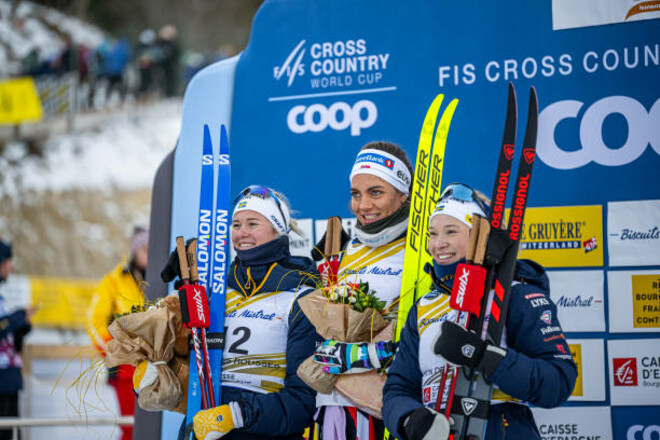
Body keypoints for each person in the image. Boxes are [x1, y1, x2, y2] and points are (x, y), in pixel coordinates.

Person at [382, 183, 578, 440]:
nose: (438, 244)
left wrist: (484, 356)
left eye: (450, 232)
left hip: (502, 427)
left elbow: (558, 382)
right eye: (432, 233)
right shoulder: (424, 306)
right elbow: (398, 388)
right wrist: (411, 419)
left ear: (481, 237)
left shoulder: (516, 295)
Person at [190, 185, 321, 440]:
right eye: (236, 224)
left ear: (277, 230)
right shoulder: (215, 291)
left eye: (252, 223)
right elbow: (195, 373)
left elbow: (304, 400)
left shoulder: (301, 295)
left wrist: (236, 415)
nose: (242, 233)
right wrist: (161, 381)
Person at [310, 141, 413, 440]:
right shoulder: (343, 250)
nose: (363, 205)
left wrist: (363, 355)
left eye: (376, 192)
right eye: (356, 194)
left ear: (403, 195)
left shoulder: (423, 249)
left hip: (390, 407)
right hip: (335, 407)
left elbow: (427, 335)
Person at [86, 227, 149, 440]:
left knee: (155, 429)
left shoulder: (163, 278)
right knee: (131, 428)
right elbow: (93, 321)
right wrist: (115, 350)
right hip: (125, 372)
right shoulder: (114, 280)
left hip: (159, 368)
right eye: (144, 248)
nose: (149, 253)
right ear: (134, 250)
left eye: (152, 248)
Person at [0, 241, 32, 440]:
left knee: (13, 432)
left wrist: (21, 328)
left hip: (8, 378)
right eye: (7, 260)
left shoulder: (2, 296)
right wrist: (17, 318)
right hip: (2, 379)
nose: (11, 265)